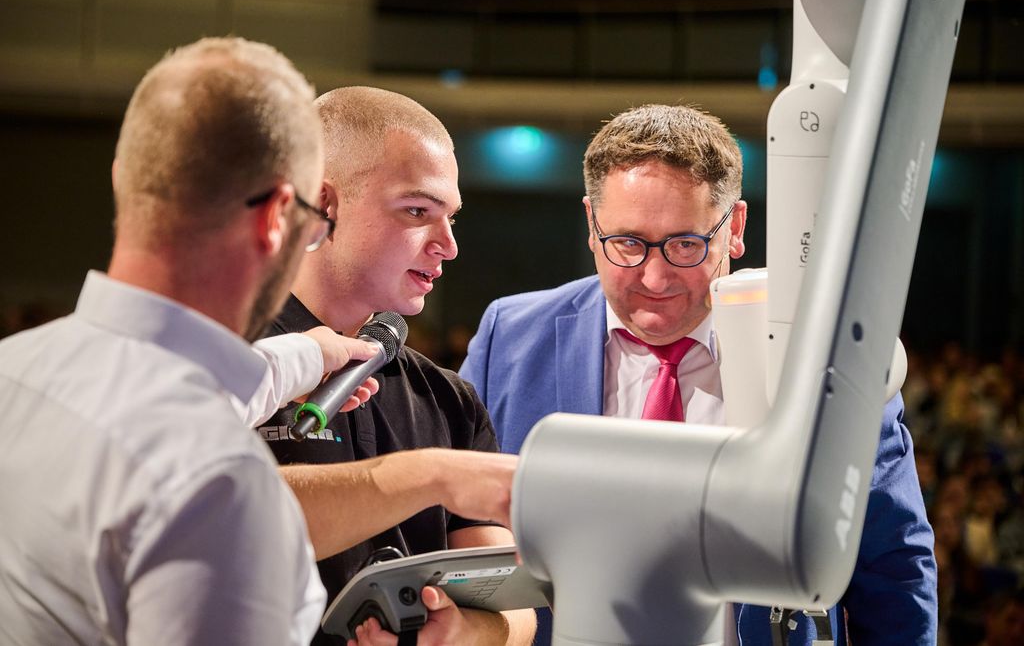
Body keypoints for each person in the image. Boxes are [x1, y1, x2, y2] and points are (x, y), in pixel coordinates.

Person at [460, 104, 937, 645]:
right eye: (628, 244)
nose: (656, 276)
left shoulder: (815, 351)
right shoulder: (511, 335)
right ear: (591, 225)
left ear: (733, 228)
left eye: (685, 244)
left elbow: (894, 563)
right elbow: (458, 529)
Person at [0, 37, 381, 645]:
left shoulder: (13, 370)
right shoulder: (218, 484)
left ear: (127, 176)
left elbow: (164, 387)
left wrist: (310, 352)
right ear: (277, 216)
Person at [258, 86, 536, 646]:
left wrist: (467, 633)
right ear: (323, 205)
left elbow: (515, 607)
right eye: (417, 211)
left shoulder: (448, 398)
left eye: (451, 217)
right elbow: (223, 512)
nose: (448, 245)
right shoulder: (222, 362)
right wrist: (424, 476)